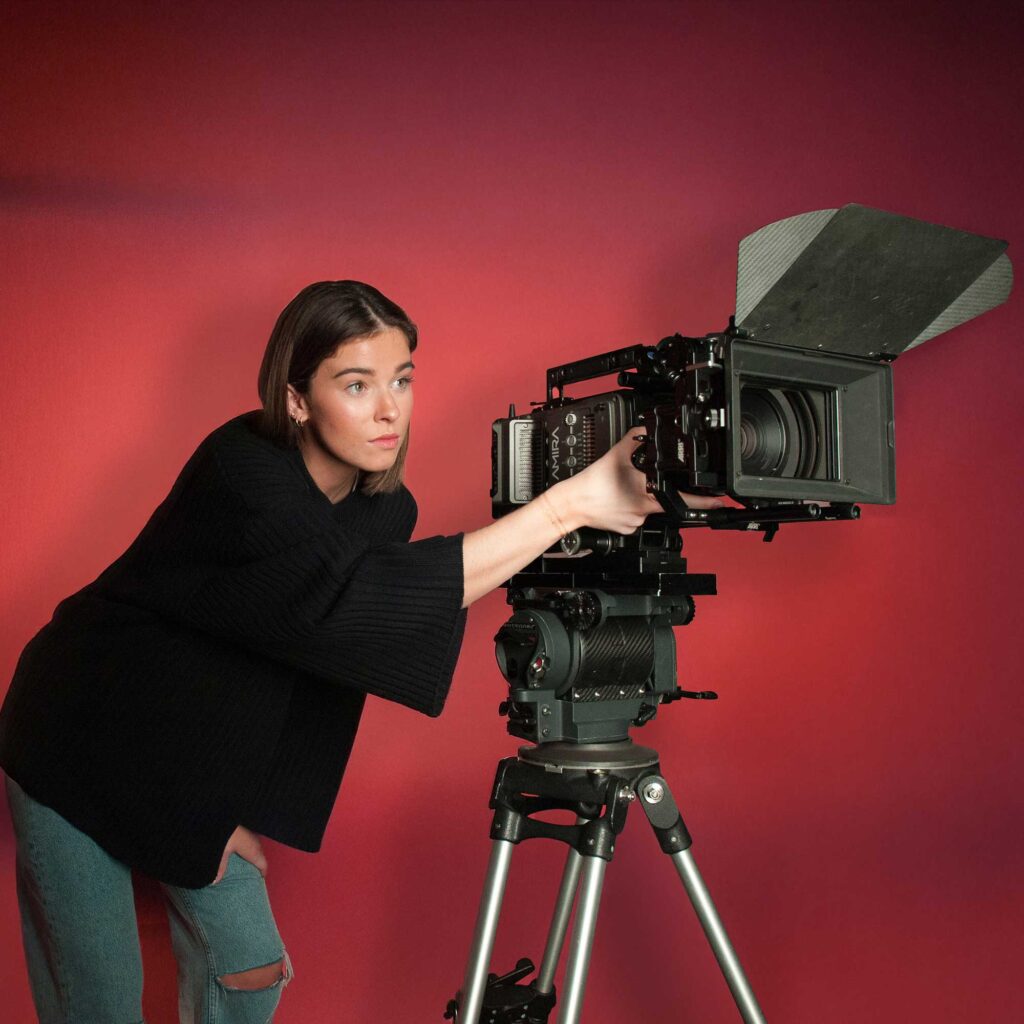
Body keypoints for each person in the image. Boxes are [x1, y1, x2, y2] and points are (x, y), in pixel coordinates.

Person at [0, 280, 721, 1023]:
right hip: (77, 732)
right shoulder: (239, 470)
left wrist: (232, 808)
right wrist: (567, 503)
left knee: (251, 971)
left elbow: (344, 640)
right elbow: (343, 602)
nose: (389, 410)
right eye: (356, 384)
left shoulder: (384, 508)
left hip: (182, 756)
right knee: (102, 1006)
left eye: (402, 380)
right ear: (296, 400)